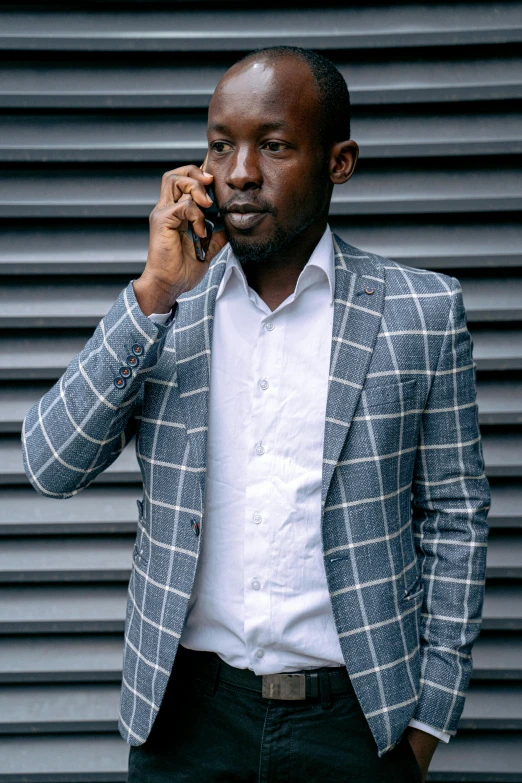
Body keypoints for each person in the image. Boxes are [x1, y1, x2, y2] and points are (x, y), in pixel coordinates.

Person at [22, 46, 490, 782]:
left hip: (356, 723)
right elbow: (50, 465)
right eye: (219, 145)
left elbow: (455, 518)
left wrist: (429, 720)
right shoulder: (169, 309)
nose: (238, 172)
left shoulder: (421, 312)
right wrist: (151, 292)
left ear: (339, 162)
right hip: (185, 719)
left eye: (272, 146)